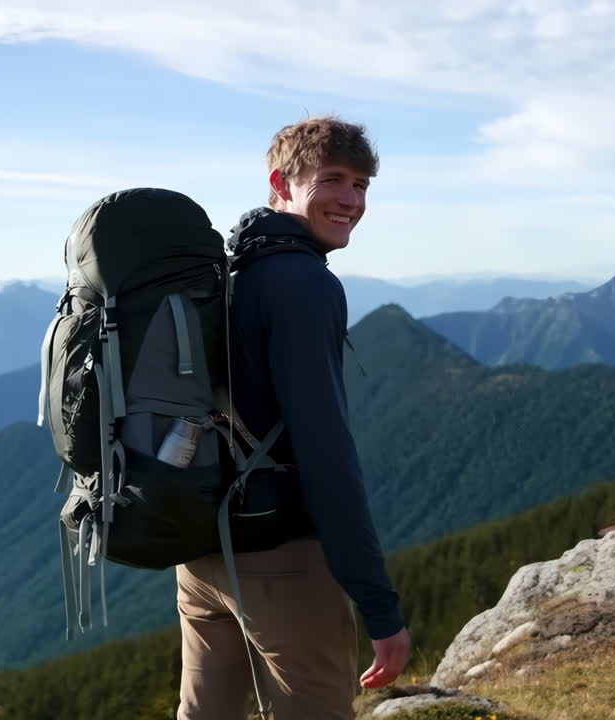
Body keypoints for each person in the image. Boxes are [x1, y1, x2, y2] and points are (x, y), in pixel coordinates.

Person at [175, 116, 410, 719]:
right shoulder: (304, 284)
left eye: (362, 185)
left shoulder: (228, 270)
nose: (352, 200)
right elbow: (326, 452)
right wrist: (378, 605)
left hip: (201, 551)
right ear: (281, 181)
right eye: (333, 179)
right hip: (280, 560)